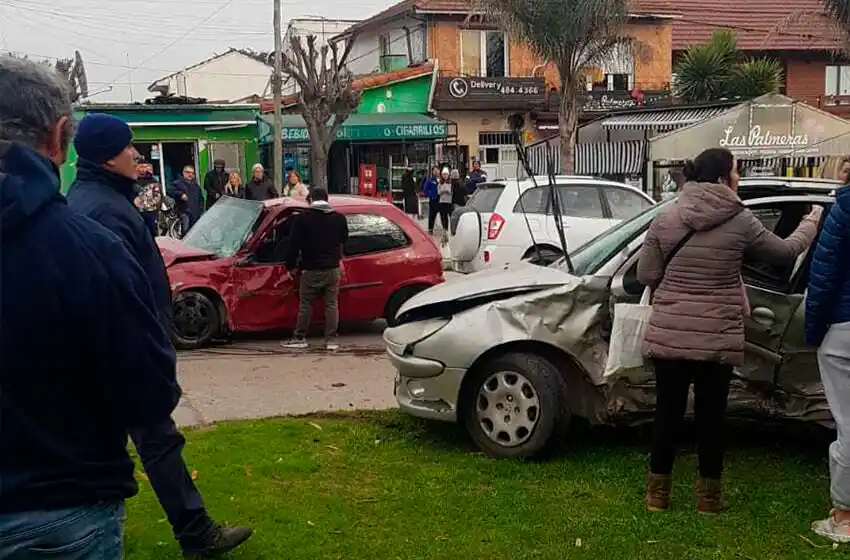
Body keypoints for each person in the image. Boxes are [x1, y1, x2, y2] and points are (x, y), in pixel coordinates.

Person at [0, 55, 181, 559]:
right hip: (64, 505)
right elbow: (148, 393)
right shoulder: (88, 244)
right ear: (60, 136)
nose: (138, 156)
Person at [65, 113, 254, 557]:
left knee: (131, 441)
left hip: (115, 350)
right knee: (156, 440)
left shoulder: (99, 198)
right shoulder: (102, 210)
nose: (137, 154)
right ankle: (195, 534)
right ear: (108, 158)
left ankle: (163, 529)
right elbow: (116, 295)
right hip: (124, 353)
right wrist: (152, 355)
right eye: (128, 147)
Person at [637, 147, 821, 515]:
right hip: (717, 335)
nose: (738, 178)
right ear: (723, 179)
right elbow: (785, 253)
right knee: (711, 418)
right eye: (736, 172)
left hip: (670, 333)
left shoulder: (666, 218)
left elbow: (646, 275)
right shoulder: (742, 221)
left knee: (667, 414)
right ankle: (709, 499)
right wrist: (811, 222)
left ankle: (658, 495)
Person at [807, 157, 850, 543]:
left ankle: (844, 516)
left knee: (848, 424)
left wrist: (814, 331)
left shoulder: (844, 210)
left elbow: (822, 276)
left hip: (845, 329)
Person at [281, 187, 349, 351]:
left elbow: (293, 246)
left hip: (310, 269)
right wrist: (338, 259)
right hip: (332, 268)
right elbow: (344, 241)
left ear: (310, 200)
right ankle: (331, 340)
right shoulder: (339, 219)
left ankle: (299, 337)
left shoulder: (302, 220)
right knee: (331, 304)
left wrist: (290, 266)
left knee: (306, 304)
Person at [167, 165, 203, 236]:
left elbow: (201, 199)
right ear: (183, 173)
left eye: (192, 173)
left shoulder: (196, 186)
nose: (190, 174)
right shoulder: (177, 183)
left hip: (195, 213)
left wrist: (201, 209)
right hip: (184, 212)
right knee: (186, 232)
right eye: (188, 172)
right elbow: (169, 191)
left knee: (194, 232)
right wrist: (180, 194)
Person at [135, 162, 163, 237]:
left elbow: (158, 197)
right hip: (136, 213)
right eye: (141, 166)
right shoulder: (132, 180)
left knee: (152, 234)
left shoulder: (153, 181)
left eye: (145, 167)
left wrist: (155, 209)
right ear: (137, 167)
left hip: (151, 213)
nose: (143, 169)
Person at [422, 165, 440, 235]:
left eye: (437, 170)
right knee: (432, 215)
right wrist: (431, 194)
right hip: (433, 200)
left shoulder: (442, 179)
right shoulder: (430, 180)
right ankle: (430, 229)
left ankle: (444, 228)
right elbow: (425, 190)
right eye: (434, 170)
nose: (436, 172)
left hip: (441, 200)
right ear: (432, 171)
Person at [437, 167, 453, 236]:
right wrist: (443, 190)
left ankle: (452, 229)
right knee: (443, 216)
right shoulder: (440, 183)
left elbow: (451, 192)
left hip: (449, 201)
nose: (445, 176)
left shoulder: (451, 183)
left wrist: (447, 190)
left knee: (450, 215)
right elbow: (438, 192)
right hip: (442, 201)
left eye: (446, 175)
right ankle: (445, 229)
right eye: (444, 175)